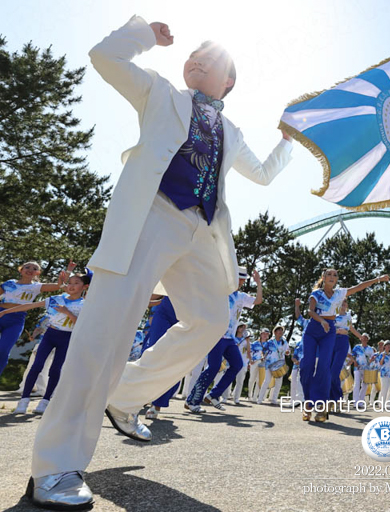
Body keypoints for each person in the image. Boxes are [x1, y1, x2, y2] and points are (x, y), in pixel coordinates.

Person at [26, 16, 295, 509]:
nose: (199, 57)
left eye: (212, 59)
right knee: (104, 334)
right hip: (150, 215)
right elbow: (106, 58)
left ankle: (124, 395)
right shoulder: (160, 92)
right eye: (197, 52)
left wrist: (289, 140)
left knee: (213, 318)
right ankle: (55, 468)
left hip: (200, 229)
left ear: (228, 82)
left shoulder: (231, 129)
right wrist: (145, 34)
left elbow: (260, 174)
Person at [300, 269, 389, 422]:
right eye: (329, 274)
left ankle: (321, 406)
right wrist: (321, 321)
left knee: (324, 367)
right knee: (307, 365)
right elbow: (310, 311)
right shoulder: (316, 294)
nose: (332, 277)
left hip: (329, 331)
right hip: (313, 330)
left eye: (335, 275)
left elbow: (359, 286)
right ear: (323, 277)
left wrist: (378, 279)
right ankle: (308, 402)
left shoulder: (339, 293)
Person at [9, 272, 90, 414]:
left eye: (76, 283)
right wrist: (5, 312)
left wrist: (68, 313)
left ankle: (45, 401)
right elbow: (31, 305)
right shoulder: (57, 298)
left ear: (85, 286)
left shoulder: (86, 305)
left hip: (67, 338)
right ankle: (23, 401)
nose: (71, 286)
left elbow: (82, 325)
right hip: (50, 335)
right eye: (69, 283)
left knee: (55, 369)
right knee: (36, 366)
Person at [186, 268, 262, 413]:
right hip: (216, 336)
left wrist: (258, 283)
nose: (242, 282)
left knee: (237, 364)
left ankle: (213, 395)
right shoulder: (220, 293)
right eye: (240, 279)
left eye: (243, 280)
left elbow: (258, 300)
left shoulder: (240, 296)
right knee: (213, 367)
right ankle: (192, 401)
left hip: (229, 338)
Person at [1, 261, 73, 379]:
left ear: (38, 273)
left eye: (34, 268)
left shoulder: (36, 287)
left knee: (3, 351)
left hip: (16, 320)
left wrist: (68, 270)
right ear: (21, 270)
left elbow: (61, 286)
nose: (30, 269)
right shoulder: (9, 283)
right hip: (1, 313)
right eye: (27, 267)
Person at [330, 298, 365, 405]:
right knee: (330, 372)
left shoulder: (348, 316)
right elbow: (328, 328)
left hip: (343, 342)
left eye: (345, 303)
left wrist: (360, 337)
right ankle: (333, 398)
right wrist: (337, 330)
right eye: (341, 303)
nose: (343, 305)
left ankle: (336, 399)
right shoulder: (333, 314)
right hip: (332, 341)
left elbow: (351, 328)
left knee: (336, 371)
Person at [256, 325, 288, 405]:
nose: (280, 332)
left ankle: (274, 399)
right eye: (278, 330)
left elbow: (287, 350)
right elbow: (263, 350)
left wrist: (288, 352)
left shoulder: (284, 342)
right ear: (275, 332)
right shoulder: (270, 341)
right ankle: (260, 399)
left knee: (278, 382)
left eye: (282, 331)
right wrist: (263, 356)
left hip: (279, 364)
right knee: (266, 381)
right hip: (269, 364)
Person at [351, 333, 375, 406]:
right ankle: (355, 402)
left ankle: (360, 402)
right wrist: (354, 362)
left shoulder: (370, 349)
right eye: (363, 337)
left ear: (367, 339)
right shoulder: (357, 347)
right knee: (356, 384)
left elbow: (373, 359)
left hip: (367, 369)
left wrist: (371, 361)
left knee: (365, 385)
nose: (364, 339)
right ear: (360, 339)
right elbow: (352, 356)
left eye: (365, 338)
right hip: (357, 368)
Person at [375, 340, 390, 407]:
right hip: (383, 374)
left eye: (389, 345)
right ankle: (381, 404)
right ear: (384, 347)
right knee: (384, 388)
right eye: (387, 345)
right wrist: (383, 357)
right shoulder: (381, 354)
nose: (389, 346)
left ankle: (387, 404)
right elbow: (380, 363)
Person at [248, 329, 268, 402]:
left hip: (263, 363)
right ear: (261, 334)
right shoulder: (255, 343)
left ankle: (255, 397)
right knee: (251, 379)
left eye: (266, 334)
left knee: (259, 380)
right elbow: (250, 352)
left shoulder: (269, 344)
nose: (265, 335)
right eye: (263, 333)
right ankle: (249, 395)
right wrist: (250, 361)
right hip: (254, 362)